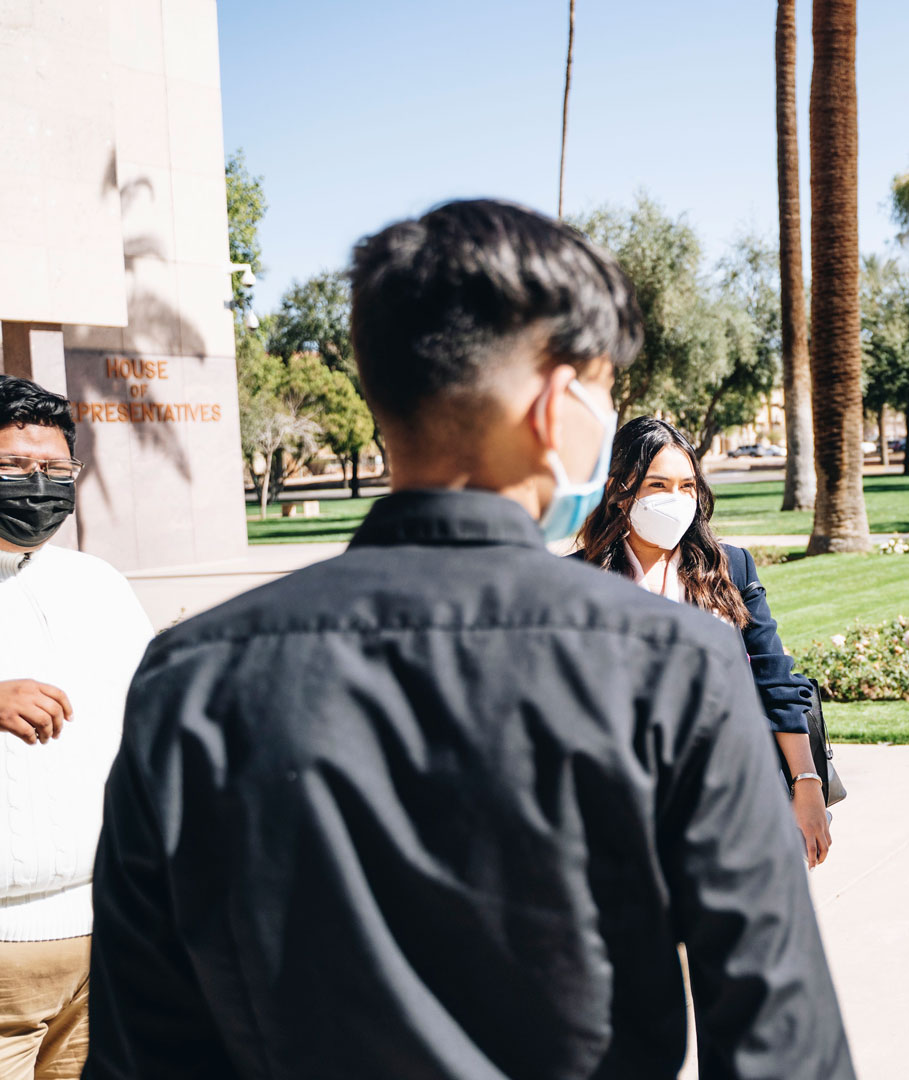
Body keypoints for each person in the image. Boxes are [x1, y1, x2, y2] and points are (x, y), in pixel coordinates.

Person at [84, 199, 854, 1080]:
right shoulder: (675, 669)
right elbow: (784, 1050)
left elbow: (142, 1048)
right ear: (559, 404)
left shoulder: (189, 681)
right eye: (605, 390)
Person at [576, 417, 831, 866]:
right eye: (658, 484)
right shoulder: (575, 581)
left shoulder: (729, 569)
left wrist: (806, 782)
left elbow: (775, 679)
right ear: (621, 491)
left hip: (731, 800)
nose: (676, 500)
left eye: (687, 486)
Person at [0, 376, 153, 1080]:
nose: (39, 485)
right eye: (16, 468)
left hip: (103, 944)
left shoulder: (97, 584)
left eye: (55, 469)